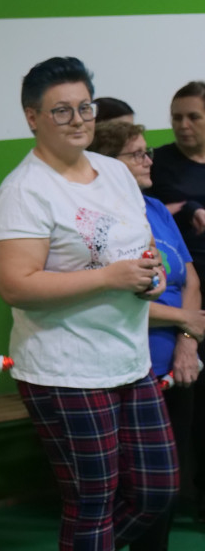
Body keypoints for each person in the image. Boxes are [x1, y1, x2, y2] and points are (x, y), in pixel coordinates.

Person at [0, 56, 178, 551]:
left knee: (157, 490)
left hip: (129, 359)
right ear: (32, 117)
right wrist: (110, 277)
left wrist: (148, 280)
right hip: (64, 369)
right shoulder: (24, 191)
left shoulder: (115, 173)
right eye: (61, 111)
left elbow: (138, 252)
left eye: (85, 107)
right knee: (91, 502)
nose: (78, 121)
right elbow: (16, 285)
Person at [88, 120, 204, 549]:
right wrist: (185, 322)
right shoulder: (99, 223)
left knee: (168, 485)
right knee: (136, 490)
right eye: (135, 154)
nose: (148, 159)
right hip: (130, 368)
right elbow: (114, 300)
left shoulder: (154, 208)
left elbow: (189, 277)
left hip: (179, 360)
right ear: (108, 166)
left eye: (147, 150)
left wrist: (188, 343)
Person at [147, 80, 205, 521]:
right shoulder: (160, 164)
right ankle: (184, 495)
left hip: (192, 292)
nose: (183, 126)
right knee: (189, 406)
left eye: (193, 117)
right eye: (177, 118)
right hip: (179, 293)